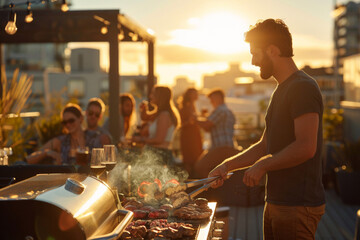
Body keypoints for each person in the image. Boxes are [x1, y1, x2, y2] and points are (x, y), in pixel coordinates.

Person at [209, 19, 325, 240]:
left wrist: (263, 165)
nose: (253, 62)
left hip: (296, 205)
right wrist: (226, 165)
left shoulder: (302, 87)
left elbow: (306, 146)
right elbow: (264, 145)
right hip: (276, 202)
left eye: (255, 54)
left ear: (272, 50)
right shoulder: (281, 89)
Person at [26, 103, 103, 165]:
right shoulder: (60, 141)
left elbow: (104, 161)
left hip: (90, 181)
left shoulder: (94, 137)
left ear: (81, 118)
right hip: (66, 182)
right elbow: (29, 159)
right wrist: (46, 152)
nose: (68, 125)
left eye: (71, 120)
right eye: (64, 122)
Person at [193, 88, 238, 178]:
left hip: (220, 148)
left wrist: (194, 119)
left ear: (218, 98)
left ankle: (212, 187)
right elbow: (209, 128)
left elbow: (206, 125)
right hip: (228, 146)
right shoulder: (228, 111)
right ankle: (218, 187)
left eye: (212, 99)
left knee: (200, 166)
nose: (211, 102)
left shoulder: (220, 110)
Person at [132, 85, 180, 166]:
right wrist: (144, 109)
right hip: (158, 153)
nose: (150, 96)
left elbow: (159, 139)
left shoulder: (164, 115)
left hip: (160, 155)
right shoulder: (159, 113)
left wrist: (140, 139)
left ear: (160, 97)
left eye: (153, 94)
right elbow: (145, 117)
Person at [177, 88, 203, 174]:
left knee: (197, 157)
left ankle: (194, 178)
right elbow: (180, 124)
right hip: (188, 137)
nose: (196, 95)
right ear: (189, 95)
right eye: (194, 93)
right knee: (188, 159)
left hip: (195, 135)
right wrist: (189, 122)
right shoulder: (185, 106)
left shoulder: (193, 105)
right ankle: (189, 179)